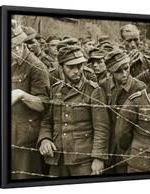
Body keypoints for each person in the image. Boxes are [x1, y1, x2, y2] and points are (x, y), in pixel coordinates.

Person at [37, 46, 110, 177]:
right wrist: (45, 139)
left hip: (83, 160)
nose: (77, 71)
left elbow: (101, 127)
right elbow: (47, 121)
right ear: (61, 68)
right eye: (71, 67)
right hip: (57, 158)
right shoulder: (55, 90)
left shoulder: (93, 91)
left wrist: (98, 158)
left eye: (80, 66)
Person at [11, 20, 50, 179]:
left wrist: (21, 94)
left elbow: (44, 105)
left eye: (19, 45)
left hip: (25, 139)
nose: (17, 50)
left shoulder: (37, 66)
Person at [100, 49, 147, 174]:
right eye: (118, 71)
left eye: (126, 68)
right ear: (110, 72)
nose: (125, 73)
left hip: (130, 149)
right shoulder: (104, 86)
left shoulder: (140, 88)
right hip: (109, 148)